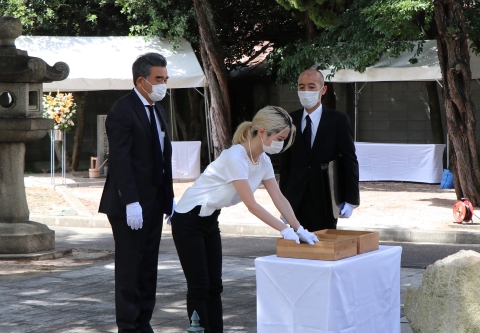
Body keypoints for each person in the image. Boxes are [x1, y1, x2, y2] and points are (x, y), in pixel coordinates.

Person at [171, 106, 319, 333]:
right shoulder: (236, 156)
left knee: (215, 285)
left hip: (210, 219)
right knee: (199, 286)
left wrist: (299, 228)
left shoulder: (263, 160)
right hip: (188, 219)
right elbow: (251, 205)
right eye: (279, 138)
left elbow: (278, 197)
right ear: (262, 132)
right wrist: (283, 229)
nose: (281, 143)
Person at [98, 52, 174, 333]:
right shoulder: (122, 110)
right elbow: (121, 161)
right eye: (158, 79)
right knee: (130, 267)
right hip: (128, 204)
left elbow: (163, 156)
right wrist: (131, 202)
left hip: (154, 201)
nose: (163, 84)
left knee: (148, 266)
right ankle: (128, 326)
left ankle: (144, 322)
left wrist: (170, 197)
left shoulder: (157, 109)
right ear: (141, 81)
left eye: (165, 79)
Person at [279, 68, 360, 232]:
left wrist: (351, 199)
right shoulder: (289, 120)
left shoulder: (338, 121)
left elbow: (349, 160)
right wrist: (283, 201)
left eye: (311, 86)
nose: (306, 91)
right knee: (297, 248)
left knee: (324, 247)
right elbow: (285, 164)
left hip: (325, 197)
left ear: (323, 90)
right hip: (296, 197)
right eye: (301, 87)